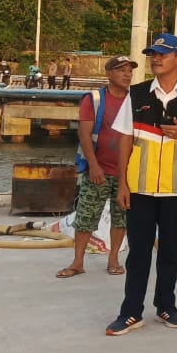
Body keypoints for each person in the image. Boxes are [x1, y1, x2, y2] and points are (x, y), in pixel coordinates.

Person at [106, 33, 177, 336]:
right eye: (153, 54)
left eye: (163, 54)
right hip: (139, 186)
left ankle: (166, 305)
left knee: (170, 249)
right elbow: (125, 138)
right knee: (138, 251)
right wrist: (122, 184)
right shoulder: (137, 94)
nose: (156, 59)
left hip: (176, 187)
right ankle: (131, 312)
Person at [55, 55, 135, 279]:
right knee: (86, 216)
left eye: (130, 70)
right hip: (98, 171)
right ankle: (78, 261)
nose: (127, 74)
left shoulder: (136, 100)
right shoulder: (95, 99)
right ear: (109, 74)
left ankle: (113, 260)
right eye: (121, 70)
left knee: (121, 217)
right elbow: (84, 133)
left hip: (126, 174)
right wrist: (94, 165)